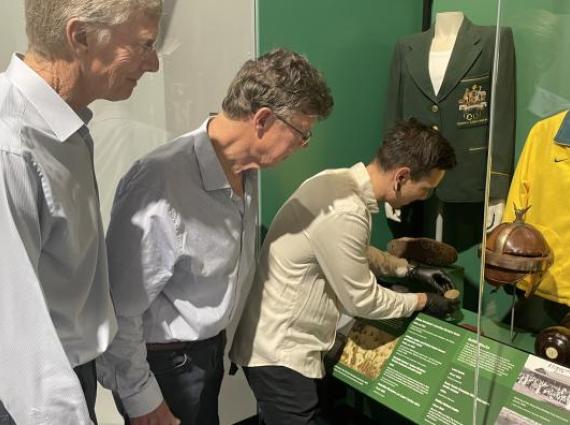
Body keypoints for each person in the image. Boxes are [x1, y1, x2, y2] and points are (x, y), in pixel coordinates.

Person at [96, 48, 334, 425]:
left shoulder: (248, 172)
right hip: (165, 366)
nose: (302, 146)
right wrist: (141, 398)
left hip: (205, 354)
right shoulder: (160, 183)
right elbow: (120, 307)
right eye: (302, 134)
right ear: (264, 120)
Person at [229, 118, 459, 425]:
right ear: (402, 177)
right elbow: (362, 300)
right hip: (281, 354)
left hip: (276, 346)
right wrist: (422, 301)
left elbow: (355, 251)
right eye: (426, 189)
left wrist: (408, 269)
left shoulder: (335, 183)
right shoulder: (347, 211)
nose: (424, 197)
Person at [0, 1, 162, 424]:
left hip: (65, 376)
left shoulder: (62, 130)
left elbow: (75, 289)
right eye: (144, 45)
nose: (155, 64)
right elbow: (16, 341)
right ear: (81, 36)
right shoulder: (11, 147)